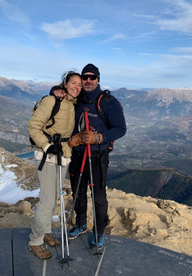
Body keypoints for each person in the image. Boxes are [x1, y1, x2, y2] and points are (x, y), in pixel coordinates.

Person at [52, 64, 126, 250]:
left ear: (98, 79)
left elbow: (120, 129)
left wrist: (99, 137)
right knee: (77, 192)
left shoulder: (108, 102)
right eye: (85, 77)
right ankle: (81, 224)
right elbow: (63, 92)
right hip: (77, 154)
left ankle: (99, 231)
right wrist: (55, 90)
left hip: (97, 156)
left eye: (92, 77)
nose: (88, 80)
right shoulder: (78, 98)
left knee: (98, 196)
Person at [27, 71, 81, 259]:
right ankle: (35, 241)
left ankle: (45, 230)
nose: (77, 87)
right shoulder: (52, 101)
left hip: (64, 154)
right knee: (47, 199)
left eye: (79, 85)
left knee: (54, 197)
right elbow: (33, 126)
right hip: (48, 155)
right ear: (65, 84)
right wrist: (47, 146)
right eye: (73, 83)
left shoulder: (72, 103)